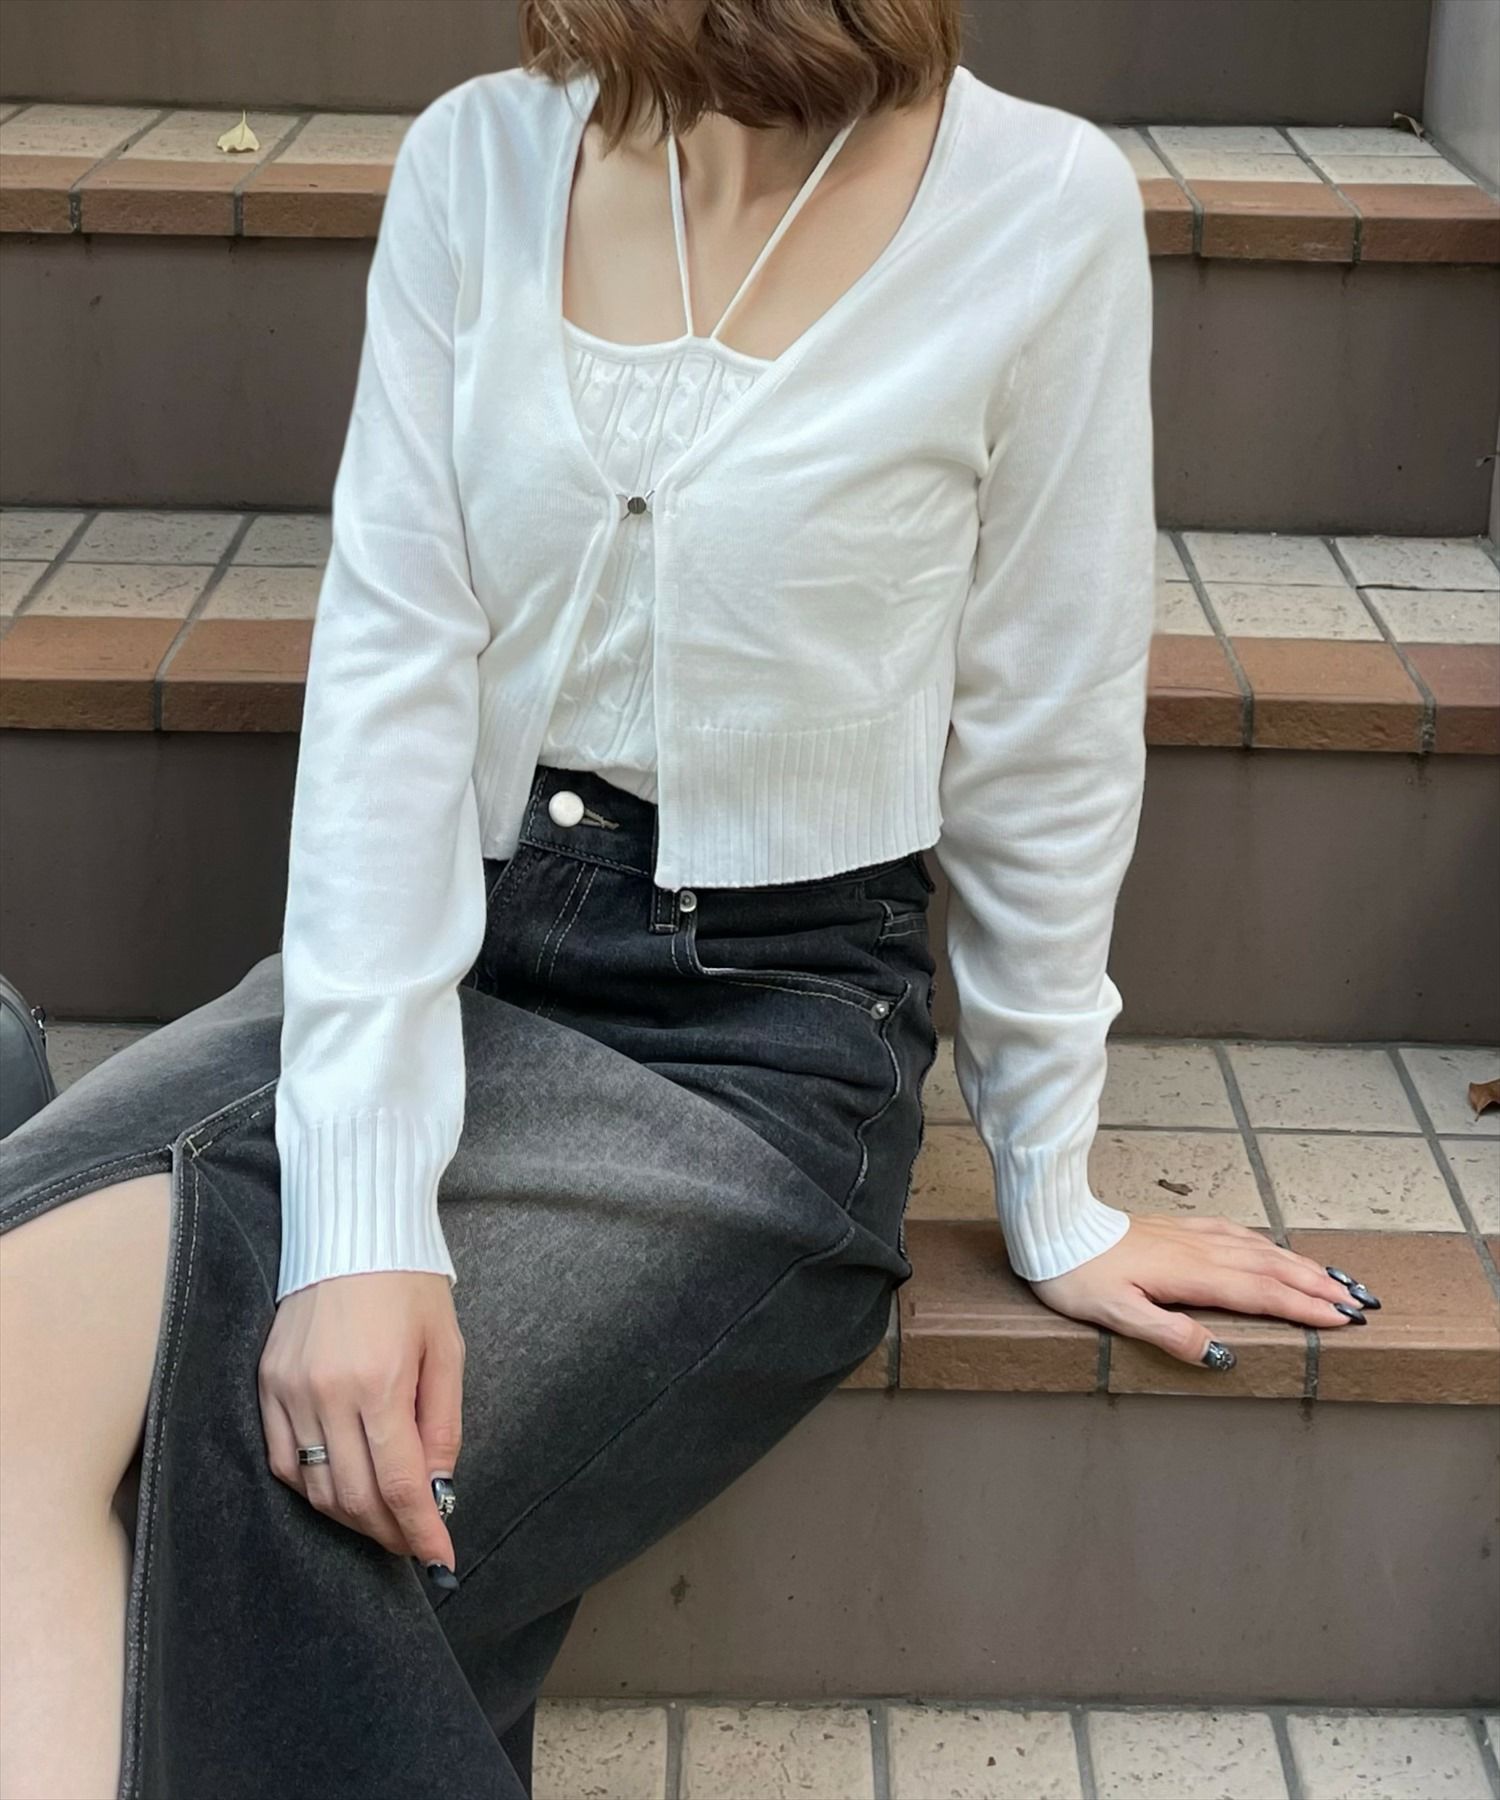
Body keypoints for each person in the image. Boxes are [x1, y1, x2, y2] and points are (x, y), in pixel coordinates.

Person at [0, 3, 1379, 1796]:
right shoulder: (480, 159)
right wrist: (360, 1220)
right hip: (431, 956)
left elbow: (1046, 732)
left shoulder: (1040, 207)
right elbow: (392, 680)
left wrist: (1051, 1186)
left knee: (268, 1501)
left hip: (756, 1032)